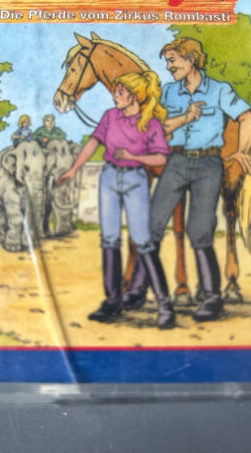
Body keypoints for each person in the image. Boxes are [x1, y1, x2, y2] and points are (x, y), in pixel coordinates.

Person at [122, 38, 251, 322]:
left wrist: (242, 151)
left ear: (191, 59)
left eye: (173, 61)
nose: (169, 67)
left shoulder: (219, 90)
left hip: (208, 165)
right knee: (150, 227)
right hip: (176, 162)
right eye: (167, 62)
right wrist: (183, 119)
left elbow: (248, 119)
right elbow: (159, 127)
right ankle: (137, 290)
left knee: (200, 230)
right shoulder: (168, 92)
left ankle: (212, 297)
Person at [56, 71, 175, 329]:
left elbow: (161, 158)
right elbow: (93, 143)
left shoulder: (151, 124)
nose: (115, 96)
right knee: (109, 239)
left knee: (142, 241)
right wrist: (74, 169)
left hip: (135, 180)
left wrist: (134, 156)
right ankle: (113, 301)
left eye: (120, 92)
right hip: (109, 177)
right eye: (116, 92)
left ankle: (165, 305)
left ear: (135, 97)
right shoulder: (110, 116)